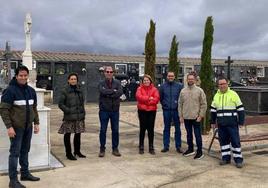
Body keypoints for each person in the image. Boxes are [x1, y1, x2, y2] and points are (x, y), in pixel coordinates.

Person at [0, 66, 40, 188]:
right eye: (21, 75)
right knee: (15, 153)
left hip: (28, 127)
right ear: (16, 76)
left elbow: (34, 108)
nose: (23, 77)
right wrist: (9, 127)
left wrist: (36, 123)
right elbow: (3, 110)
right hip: (16, 128)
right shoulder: (10, 91)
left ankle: (25, 173)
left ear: (28, 76)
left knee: (25, 150)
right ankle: (13, 181)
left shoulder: (31, 91)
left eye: (25, 75)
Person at [210, 77, 245, 168]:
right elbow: (213, 110)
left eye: (223, 84)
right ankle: (225, 158)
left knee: (235, 142)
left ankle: (238, 160)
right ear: (218, 85)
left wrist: (241, 121)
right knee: (223, 142)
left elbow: (240, 109)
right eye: (220, 84)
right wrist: (212, 122)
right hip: (221, 124)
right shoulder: (216, 95)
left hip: (232, 124)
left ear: (227, 84)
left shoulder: (233, 94)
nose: (222, 86)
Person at [179, 72, 207, 159]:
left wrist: (200, 116)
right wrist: (181, 116)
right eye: (189, 79)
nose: (190, 80)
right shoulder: (183, 91)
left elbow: (204, 104)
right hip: (186, 117)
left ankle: (200, 152)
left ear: (194, 80)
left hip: (196, 117)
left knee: (197, 135)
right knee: (189, 135)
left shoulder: (199, 91)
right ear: (187, 80)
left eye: (192, 79)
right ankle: (190, 149)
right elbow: (180, 104)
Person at [58, 73, 86, 160]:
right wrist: (68, 111)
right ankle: (68, 153)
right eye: (72, 79)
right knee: (67, 135)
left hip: (79, 116)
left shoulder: (80, 89)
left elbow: (82, 102)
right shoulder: (65, 90)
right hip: (69, 117)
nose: (73, 80)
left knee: (78, 134)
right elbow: (60, 104)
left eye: (75, 79)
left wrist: (83, 112)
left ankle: (77, 151)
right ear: (68, 80)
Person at [98, 66, 123, 157]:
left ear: (113, 73)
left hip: (115, 111)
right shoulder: (101, 83)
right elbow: (102, 91)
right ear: (104, 73)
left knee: (115, 130)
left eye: (111, 72)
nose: (109, 73)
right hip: (104, 110)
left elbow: (119, 93)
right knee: (103, 130)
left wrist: (108, 92)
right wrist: (113, 91)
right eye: (107, 72)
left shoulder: (117, 83)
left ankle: (115, 148)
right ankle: (102, 148)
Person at [159, 71, 183, 153]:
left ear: (174, 77)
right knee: (166, 128)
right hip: (167, 110)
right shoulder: (162, 87)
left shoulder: (179, 86)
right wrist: (164, 105)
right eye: (169, 76)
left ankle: (178, 146)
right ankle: (166, 146)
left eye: (172, 76)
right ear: (167, 77)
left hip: (176, 111)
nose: (170, 77)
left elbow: (181, 99)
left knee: (178, 129)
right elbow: (161, 98)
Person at [136, 74, 160, 155]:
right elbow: (139, 97)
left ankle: (151, 147)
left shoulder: (155, 89)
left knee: (151, 129)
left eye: (147, 80)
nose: (146, 81)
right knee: (142, 129)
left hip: (151, 112)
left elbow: (156, 99)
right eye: (144, 80)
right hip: (142, 111)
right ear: (142, 82)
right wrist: (149, 98)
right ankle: (141, 146)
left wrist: (145, 99)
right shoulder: (139, 88)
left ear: (150, 81)